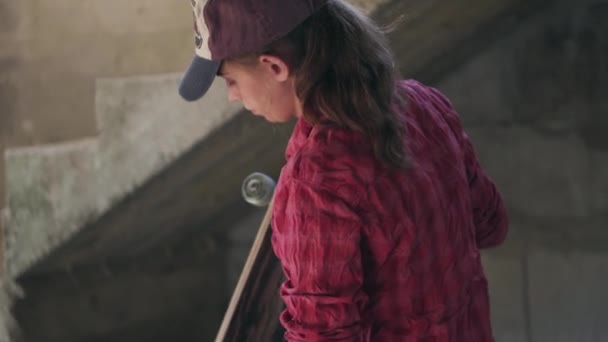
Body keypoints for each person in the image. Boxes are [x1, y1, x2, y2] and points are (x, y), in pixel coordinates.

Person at [179, 0, 509, 340]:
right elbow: (491, 225)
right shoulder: (425, 103)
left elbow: (321, 335)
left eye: (229, 80)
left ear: (274, 66)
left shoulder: (317, 180)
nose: (232, 96)